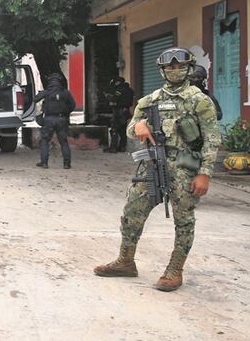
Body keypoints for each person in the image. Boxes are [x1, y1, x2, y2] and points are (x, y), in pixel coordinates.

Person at [94, 47, 220, 292]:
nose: (175, 71)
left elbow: (212, 139)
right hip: (152, 163)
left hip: (185, 166)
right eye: (170, 67)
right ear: (162, 70)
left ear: (188, 69)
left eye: (179, 66)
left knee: (184, 220)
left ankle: (175, 270)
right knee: (132, 210)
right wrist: (139, 125)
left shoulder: (199, 100)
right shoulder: (150, 100)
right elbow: (130, 128)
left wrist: (205, 173)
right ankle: (125, 261)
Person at [32, 73, 77, 169]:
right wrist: (65, 113)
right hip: (62, 119)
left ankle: (44, 163)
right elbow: (73, 105)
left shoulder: (47, 92)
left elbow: (35, 99)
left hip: (49, 119)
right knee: (64, 142)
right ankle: (66, 164)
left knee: (45, 140)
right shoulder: (66, 92)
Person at [104, 76, 135, 153]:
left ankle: (113, 148)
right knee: (122, 130)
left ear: (118, 82)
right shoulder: (129, 90)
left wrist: (107, 96)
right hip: (126, 111)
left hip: (119, 111)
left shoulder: (120, 90)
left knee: (114, 129)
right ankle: (122, 147)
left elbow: (114, 98)